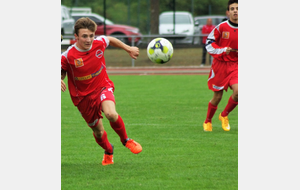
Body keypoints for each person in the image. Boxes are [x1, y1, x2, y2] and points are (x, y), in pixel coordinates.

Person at [61, 17, 142, 166]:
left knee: (111, 113)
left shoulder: (98, 43)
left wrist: (128, 49)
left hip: (102, 86)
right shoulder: (69, 55)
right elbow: (61, 70)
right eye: (84, 36)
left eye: (91, 35)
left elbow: (109, 39)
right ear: (76, 37)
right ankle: (108, 150)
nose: (89, 39)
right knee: (98, 131)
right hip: (83, 98)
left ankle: (126, 140)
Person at [202, 0, 238, 132]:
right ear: (228, 12)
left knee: (239, 92)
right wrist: (223, 50)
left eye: (238, 8)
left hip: (236, 66)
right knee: (217, 97)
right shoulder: (221, 27)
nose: (235, 11)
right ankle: (208, 121)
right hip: (220, 66)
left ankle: (224, 115)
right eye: (232, 8)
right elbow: (209, 44)